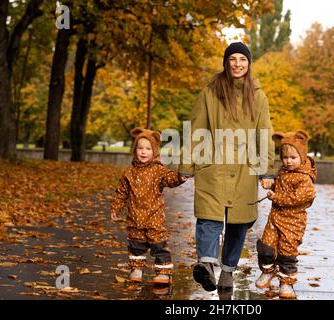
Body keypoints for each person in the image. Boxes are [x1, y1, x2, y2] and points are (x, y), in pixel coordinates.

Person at [178, 42, 275, 293]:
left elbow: (263, 133)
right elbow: (197, 129)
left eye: (242, 59)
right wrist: (187, 164)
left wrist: (265, 170)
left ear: (248, 64)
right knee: (208, 218)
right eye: (232, 59)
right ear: (226, 62)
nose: (237, 64)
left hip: (244, 169)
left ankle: (227, 271)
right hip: (213, 165)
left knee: (238, 223)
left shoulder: (258, 95)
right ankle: (207, 264)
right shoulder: (210, 92)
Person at [110, 127, 187, 284]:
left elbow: (169, 178)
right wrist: (116, 208)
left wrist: (179, 177)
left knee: (158, 246)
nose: (143, 152)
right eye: (140, 148)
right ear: (135, 150)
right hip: (134, 218)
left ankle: (163, 272)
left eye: (147, 149)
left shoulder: (158, 171)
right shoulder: (128, 173)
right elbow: (121, 192)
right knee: (136, 246)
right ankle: (136, 269)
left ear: (154, 151)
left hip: (154, 219)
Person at [255, 130, 317, 299]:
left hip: (293, 222)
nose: (288, 161)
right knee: (265, 248)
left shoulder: (304, 178)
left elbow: (301, 197)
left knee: (287, 254)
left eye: (293, 158)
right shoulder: (283, 172)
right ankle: (269, 269)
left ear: (302, 157)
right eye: (285, 158)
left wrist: (278, 197)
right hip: (275, 218)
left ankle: (286, 283)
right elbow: (282, 188)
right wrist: (273, 185)